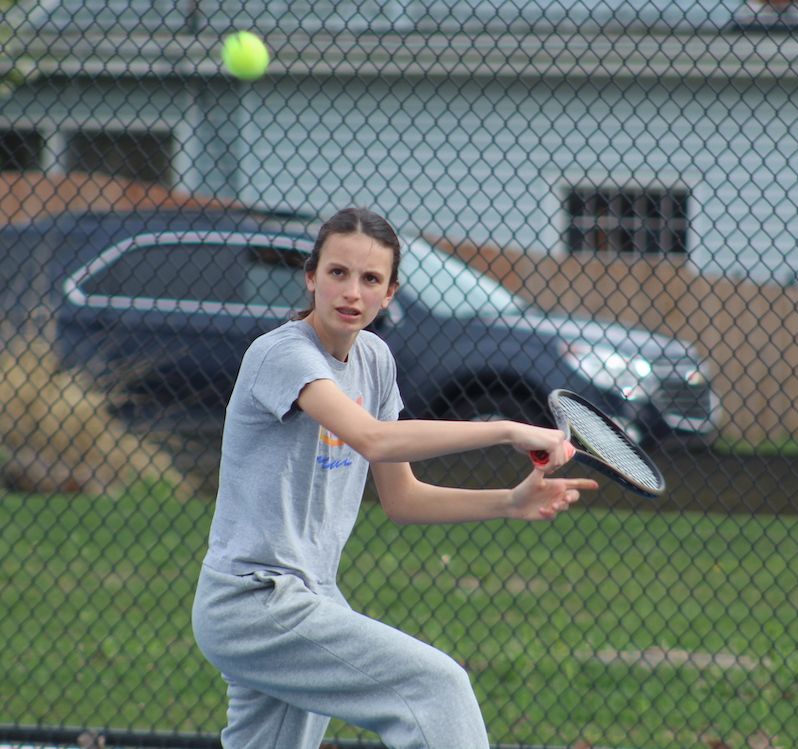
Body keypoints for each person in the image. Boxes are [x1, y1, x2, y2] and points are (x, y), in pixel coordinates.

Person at [191, 207, 598, 749]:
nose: (351, 292)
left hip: (311, 595)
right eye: (337, 273)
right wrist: (506, 429)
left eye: (370, 279)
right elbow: (373, 439)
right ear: (311, 277)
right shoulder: (281, 354)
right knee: (438, 688)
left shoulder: (375, 361)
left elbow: (403, 497)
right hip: (253, 601)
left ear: (389, 293)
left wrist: (509, 500)